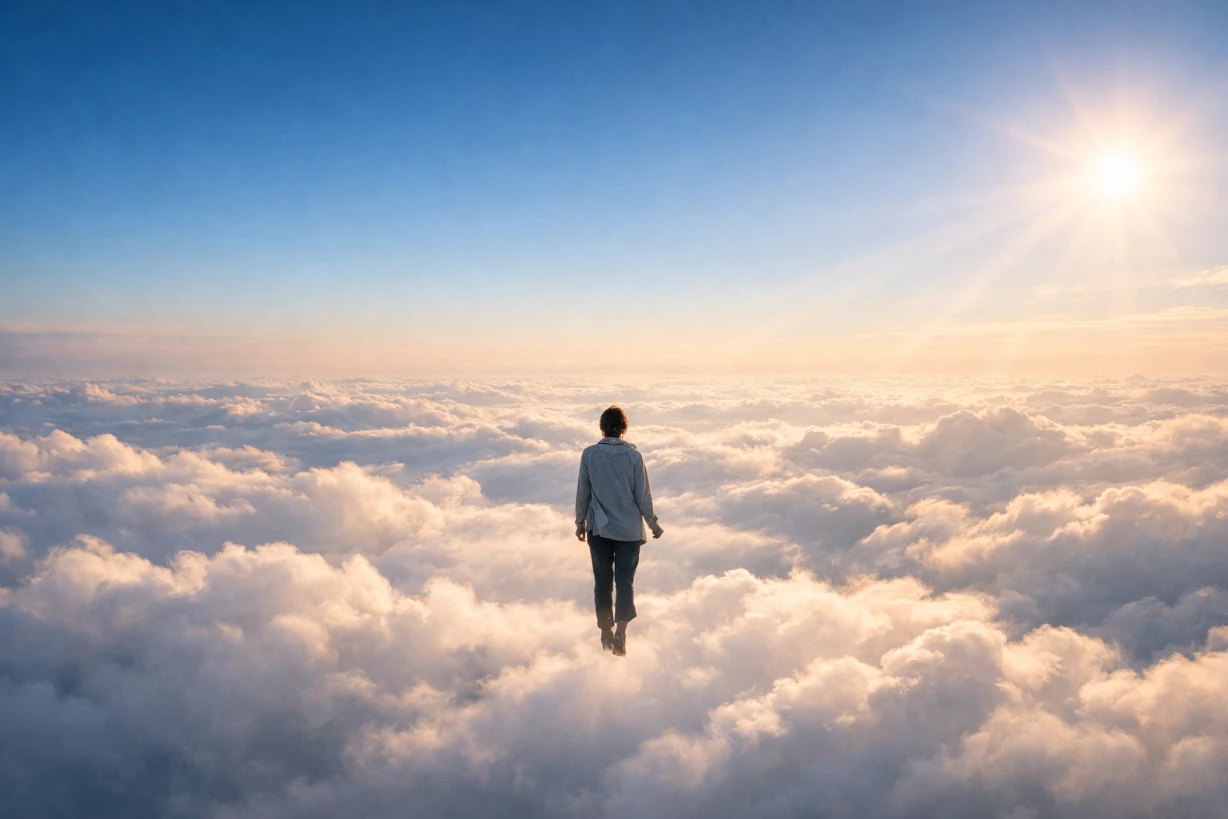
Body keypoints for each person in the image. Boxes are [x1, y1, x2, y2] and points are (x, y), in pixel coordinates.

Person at [575, 405, 663, 657]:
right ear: (624, 429)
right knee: (625, 582)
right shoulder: (634, 457)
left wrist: (579, 522)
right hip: (629, 531)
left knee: (602, 581)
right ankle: (622, 632)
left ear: (602, 428)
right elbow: (643, 496)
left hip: (599, 529)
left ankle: (606, 632)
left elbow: (583, 492)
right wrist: (652, 523)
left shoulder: (590, 455)